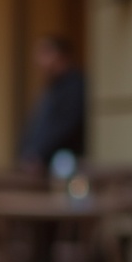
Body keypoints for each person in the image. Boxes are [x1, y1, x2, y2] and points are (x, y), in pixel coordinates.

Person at [18, 34, 86, 173]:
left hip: (63, 167)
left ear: (60, 56)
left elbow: (66, 125)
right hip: (42, 166)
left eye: (44, 53)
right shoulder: (52, 88)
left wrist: (40, 153)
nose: (38, 61)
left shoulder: (75, 86)